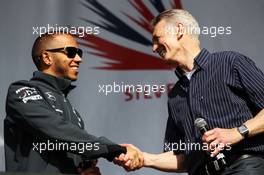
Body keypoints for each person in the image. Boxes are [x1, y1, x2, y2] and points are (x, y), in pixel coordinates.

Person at [115, 9, 264, 175]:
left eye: (157, 39)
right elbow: (183, 156)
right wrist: (143, 158)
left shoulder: (230, 63)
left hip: (243, 167)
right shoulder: (175, 95)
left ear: (179, 30)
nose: (154, 48)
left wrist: (237, 132)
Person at [4, 32, 143, 174]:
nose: (78, 59)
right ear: (47, 57)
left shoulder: (73, 112)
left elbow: (73, 144)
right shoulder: (21, 91)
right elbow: (56, 129)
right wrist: (112, 149)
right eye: (70, 52)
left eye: (79, 53)